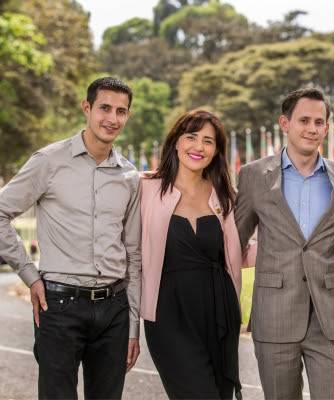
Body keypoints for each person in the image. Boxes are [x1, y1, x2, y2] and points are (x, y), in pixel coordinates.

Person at [0, 77, 141, 399]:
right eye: (105, 108)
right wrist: (29, 274)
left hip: (114, 310)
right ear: (87, 108)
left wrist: (133, 326)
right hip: (60, 305)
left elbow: (133, 252)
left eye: (121, 111)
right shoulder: (49, 161)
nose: (112, 118)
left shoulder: (130, 177)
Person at [234, 87, 334, 399]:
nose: (312, 129)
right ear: (285, 123)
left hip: (328, 318)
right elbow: (234, 242)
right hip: (274, 315)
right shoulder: (253, 176)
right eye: (304, 120)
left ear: (327, 128)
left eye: (319, 122)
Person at [140, 109, 253, 399]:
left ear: (216, 151)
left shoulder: (225, 194)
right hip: (168, 314)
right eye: (191, 137)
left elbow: (240, 250)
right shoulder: (145, 188)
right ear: (176, 141)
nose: (198, 147)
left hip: (220, 310)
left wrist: (290, 251)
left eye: (208, 141)